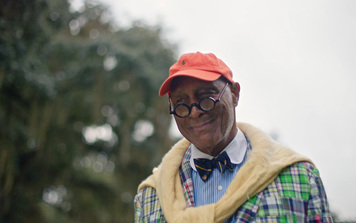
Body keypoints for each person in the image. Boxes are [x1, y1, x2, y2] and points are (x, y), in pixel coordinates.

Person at [134, 52, 333, 222]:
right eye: (181, 102)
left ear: (235, 94)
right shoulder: (151, 196)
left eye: (206, 96)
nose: (194, 112)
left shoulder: (299, 177)